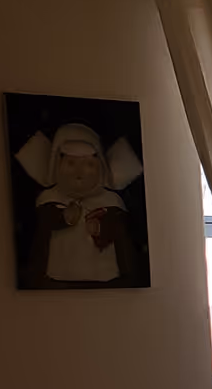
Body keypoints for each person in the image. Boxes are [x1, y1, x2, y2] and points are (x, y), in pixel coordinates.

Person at [13, 121, 144, 286]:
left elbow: (119, 229)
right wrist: (63, 217)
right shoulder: (50, 198)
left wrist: (101, 227)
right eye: (71, 164)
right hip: (59, 274)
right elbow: (43, 226)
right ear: (57, 165)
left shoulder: (110, 200)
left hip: (104, 275)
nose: (79, 173)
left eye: (88, 165)